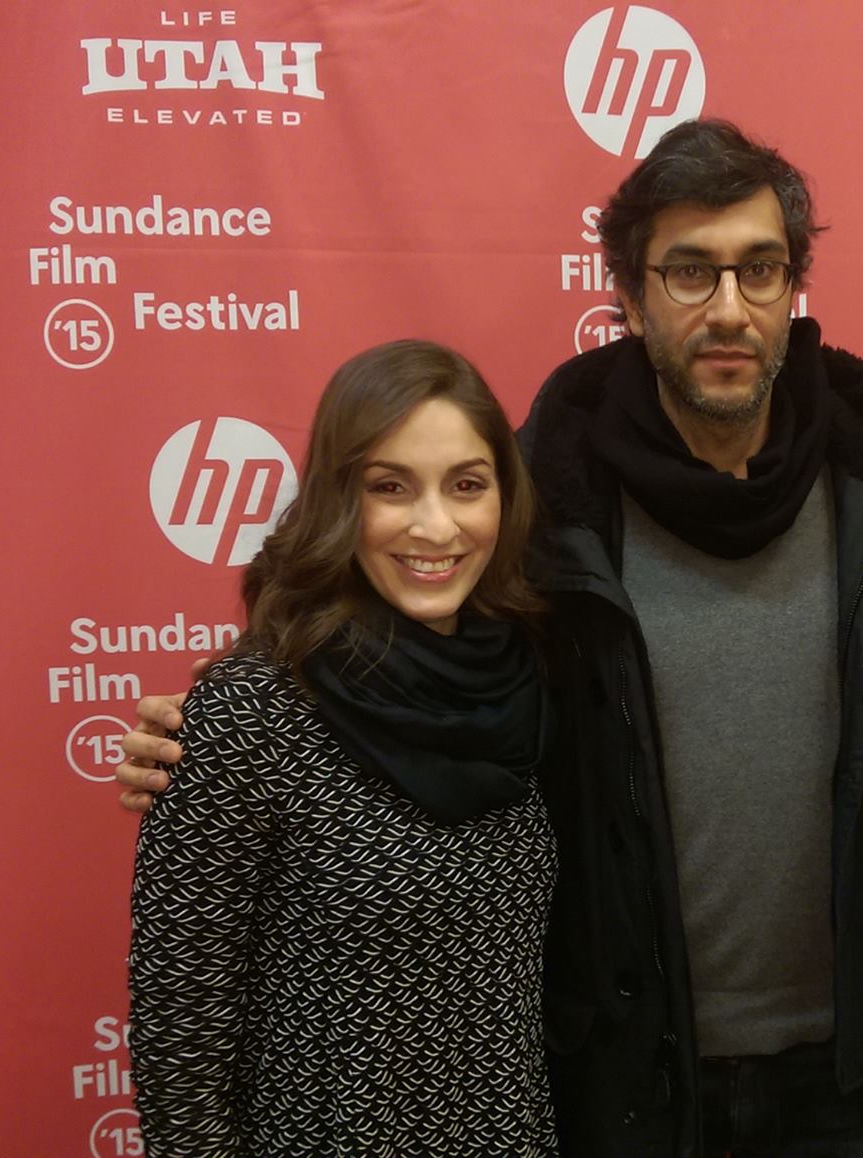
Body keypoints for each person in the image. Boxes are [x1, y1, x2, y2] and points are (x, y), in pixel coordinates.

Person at [120, 119, 863, 1156]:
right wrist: (212, 744)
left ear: (793, 288)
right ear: (625, 294)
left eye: (758, 271)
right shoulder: (544, 517)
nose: (727, 309)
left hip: (852, 1082)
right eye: (688, 273)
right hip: (621, 1088)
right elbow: (395, 682)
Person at [126, 341, 558, 1155]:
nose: (436, 525)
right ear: (337, 501)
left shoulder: (528, 682)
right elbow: (181, 1036)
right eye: (390, 488)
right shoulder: (254, 710)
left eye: (467, 485)